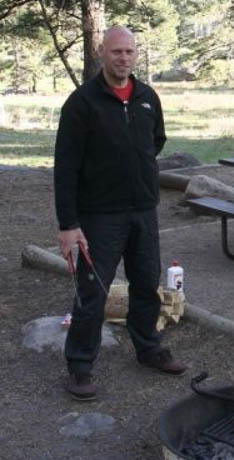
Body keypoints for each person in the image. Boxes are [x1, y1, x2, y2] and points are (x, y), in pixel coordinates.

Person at [54, 26, 187, 402]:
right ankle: (80, 367)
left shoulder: (147, 97)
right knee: (92, 291)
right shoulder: (82, 103)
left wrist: (137, 174)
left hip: (143, 210)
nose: (124, 58)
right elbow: (65, 168)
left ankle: (148, 349)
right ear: (102, 53)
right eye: (116, 52)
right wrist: (68, 225)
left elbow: (155, 142)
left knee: (146, 284)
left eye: (129, 52)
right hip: (100, 215)